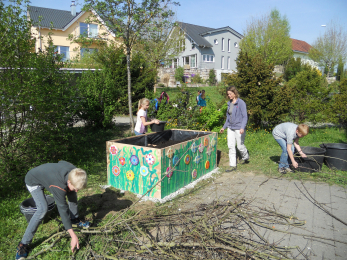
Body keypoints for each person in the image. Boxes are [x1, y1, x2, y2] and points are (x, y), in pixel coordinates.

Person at [16, 161, 89, 260]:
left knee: (72, 195)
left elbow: (62, 162)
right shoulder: (58, 186)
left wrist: (72, 189)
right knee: (42, 209)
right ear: (69, 181)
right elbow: (62, 209)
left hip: (48, 177)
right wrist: (73, 235)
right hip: (33, 180)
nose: (77, 190)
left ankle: (74, 220)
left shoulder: (75, 173)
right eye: (76, 188)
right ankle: (23, 245)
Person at [219, 86, 249, 172]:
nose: (229, 96)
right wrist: (224, 127)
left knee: (240, 146)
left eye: (230, 94)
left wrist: (242, 127)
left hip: (239, 128)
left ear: (235, 93)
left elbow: (244, 117)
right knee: (231, 146)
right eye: (228, 94)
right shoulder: (230, 104)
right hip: (230, 128)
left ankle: (245, 156)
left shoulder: (241, 103)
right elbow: (228, 118)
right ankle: (232, 165)